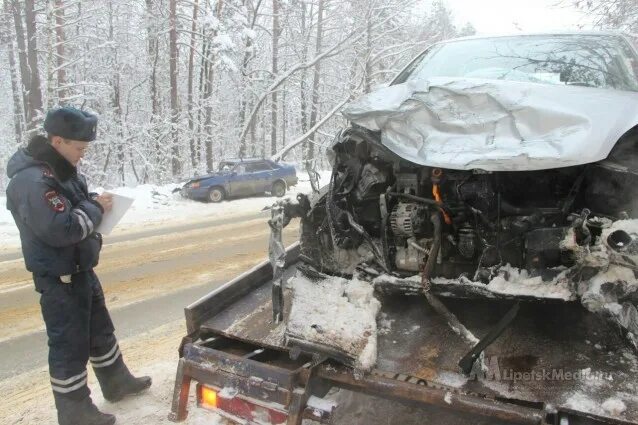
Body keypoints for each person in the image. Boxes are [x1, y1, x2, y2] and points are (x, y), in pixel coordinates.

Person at [5, 107, 152, 425]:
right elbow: (62, 229)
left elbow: (74, 205)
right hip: (60, 278)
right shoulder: (31, 181)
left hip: (80, 270)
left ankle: (117, 381)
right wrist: (94, 207)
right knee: (69, 345)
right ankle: (74, 411)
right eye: (79, 148)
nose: (82, 156)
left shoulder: (60, 171)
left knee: (100, 331)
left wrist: (97, 202)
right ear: (57, 140)